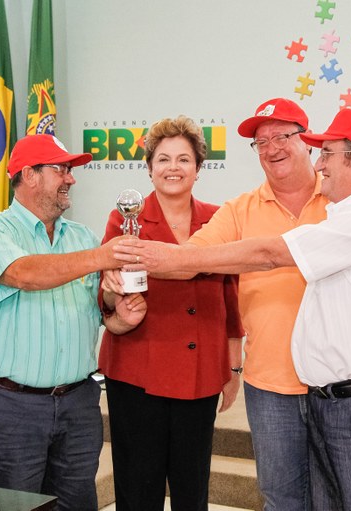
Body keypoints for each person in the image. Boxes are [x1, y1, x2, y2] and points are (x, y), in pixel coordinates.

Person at [114, 108, 351, 511]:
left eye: (322, 151)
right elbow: (196, 257)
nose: (272, 149)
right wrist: (144, 265)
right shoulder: (252, 208)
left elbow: (268, 252)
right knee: (291, 499)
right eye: (261, 142)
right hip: (283, 386)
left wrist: (155, 257)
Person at [155, 98, 328, 511]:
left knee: (337, 497)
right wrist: (125, 258)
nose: (272, 148)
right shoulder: (240, 210)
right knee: (281, 498)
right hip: (270, 385)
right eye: (261, 141)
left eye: (283, 136)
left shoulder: (344, 201)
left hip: (336, 384)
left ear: (307, 141)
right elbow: (188, 260)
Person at [0, 134, 144, 511]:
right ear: (28, 175)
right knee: (13, 505)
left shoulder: (81, 237)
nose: (71, 178)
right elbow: (25, 274)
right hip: (11, 407)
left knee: (77, 504)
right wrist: (100, 257)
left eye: (70, 170)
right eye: (61, 169)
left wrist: (119, 315)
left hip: (79, 404)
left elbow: (101, 313)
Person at [98, 116, 245, 511]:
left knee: (191, 486)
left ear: (198, 168)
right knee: (137, 487)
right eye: (163, 159)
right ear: (149, 168)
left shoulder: (220, 218)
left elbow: (232, 299)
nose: (173, 168)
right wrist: (116, 300)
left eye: (184, 159)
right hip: (136, 371)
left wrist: (233, 368)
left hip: (200, 372)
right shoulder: (124, 219)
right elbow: (105, 295)